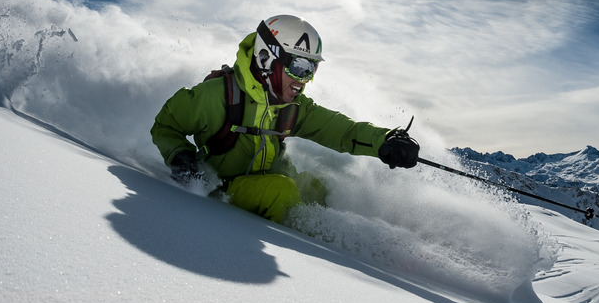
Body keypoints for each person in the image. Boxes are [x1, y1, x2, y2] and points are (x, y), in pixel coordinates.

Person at [151, 14, 420, 224]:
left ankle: (345, 249)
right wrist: (179, 156)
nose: (305, 80)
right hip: (223, 186)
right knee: (282, 192)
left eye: (311, 69)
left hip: (270, 178)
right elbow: (166, 125)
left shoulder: (292, 107)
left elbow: (340, 130)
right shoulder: (218, 95)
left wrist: (385, 141)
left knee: (317, 190)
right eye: (300, 67)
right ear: (267, 58)